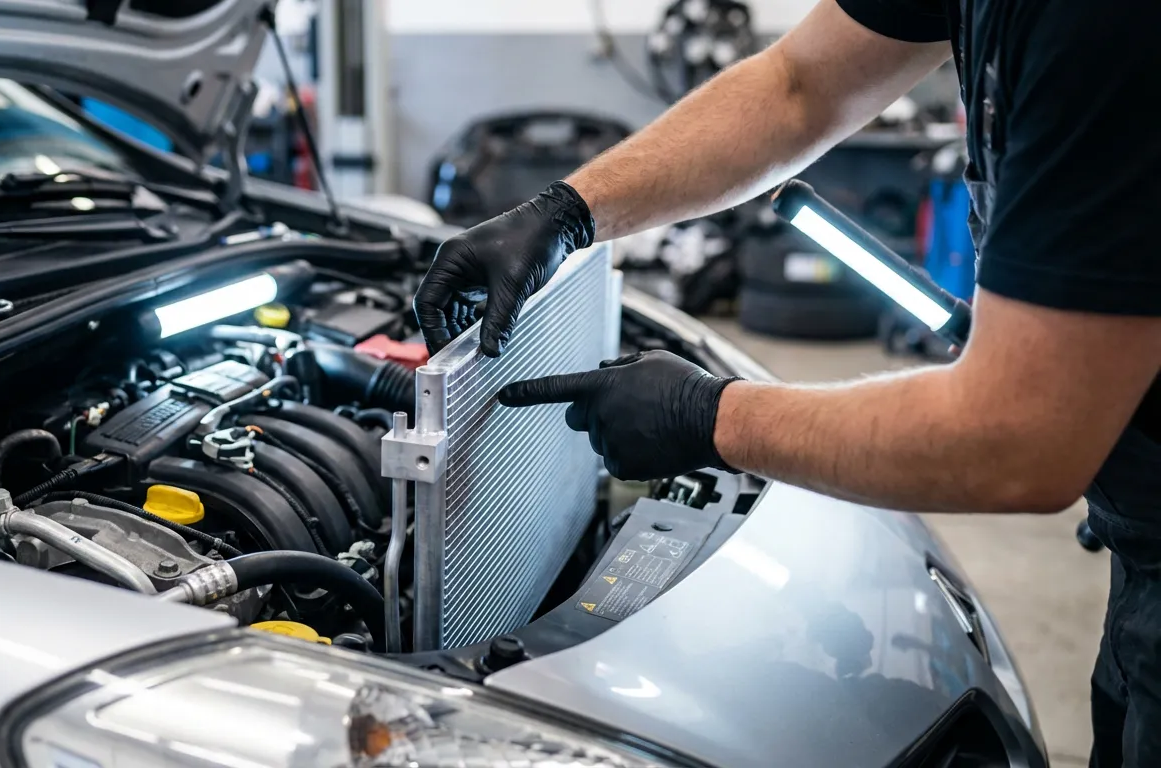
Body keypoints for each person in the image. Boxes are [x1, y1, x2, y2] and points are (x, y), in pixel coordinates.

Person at [412, 1, 1161, 764]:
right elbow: (798, 85)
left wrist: (707, 417)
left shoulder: (1103, 26)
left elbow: (1019, 436)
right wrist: (569, 211)